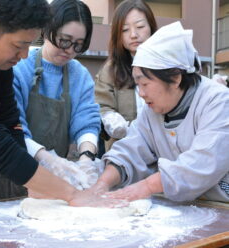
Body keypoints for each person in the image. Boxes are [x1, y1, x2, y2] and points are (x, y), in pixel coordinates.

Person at [0, 0, 113, 207]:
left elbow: (11, 125)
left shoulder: (1, 67)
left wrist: (38, 185)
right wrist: (70, 193)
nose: (24, 55)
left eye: (29, 45)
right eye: (19, 45)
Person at [90, 21, 229, 203]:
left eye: (145, 84)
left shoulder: (218, 102)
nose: (141, 93)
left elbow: (202, 164)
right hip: (193, 206)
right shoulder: (152, 112)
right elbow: (131, 150)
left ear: (175, 78)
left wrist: (147, 187)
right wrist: (102, 183)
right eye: (137, 85)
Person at [13, 0, 101, 183]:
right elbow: (12, 126)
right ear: (46, 30)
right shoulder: (18, 67)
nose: (69, 50)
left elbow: (86, 122)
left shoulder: (80, 75)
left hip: (54, 178)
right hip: (10, 172)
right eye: (64, 40)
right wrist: (47, 158)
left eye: (78, 44)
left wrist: (86, 159)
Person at [95, 0, 157, 152]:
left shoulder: (167, 64)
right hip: (124, 151)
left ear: (151, 27)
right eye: (124, 30)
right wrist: (112, 120)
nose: (134, 35)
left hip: (164, 149)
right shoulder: (110, 70)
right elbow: (101, 106)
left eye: (140, 27)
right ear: (117, 35)